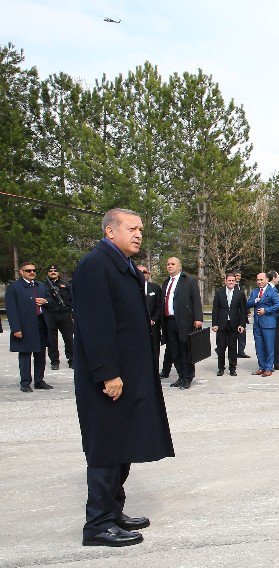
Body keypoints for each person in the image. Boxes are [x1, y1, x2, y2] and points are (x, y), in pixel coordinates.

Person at [73, 208, 174, 547]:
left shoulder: (123, 266)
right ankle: (98, 523)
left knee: (122, 444)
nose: (139, 234)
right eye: (132, 228)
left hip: (128, 374)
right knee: (106, 448)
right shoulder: (95, 266)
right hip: (108, 379)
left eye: (141, 229)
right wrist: (108, 374)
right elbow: (94, 326)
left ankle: (113, 511)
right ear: (110, 231)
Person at [6, 261, 51, 392]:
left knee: (40, 353)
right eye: (28, 270)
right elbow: (11, 310)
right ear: (21, 272)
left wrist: (46, 301)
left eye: (33, 270)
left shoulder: (41, 285)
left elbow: (50, 300)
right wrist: (16, 328)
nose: (32, 272)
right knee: (25, 354)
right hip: (24, 326)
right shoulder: (14, 287)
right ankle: (25, 382)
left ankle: (39, 380)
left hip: (40, 324)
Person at [161, 257, 202, 389]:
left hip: (185, 321)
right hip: (169, 321)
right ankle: (180, 376)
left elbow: (196, 300)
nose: (170, 266)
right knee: (175, 350)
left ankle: (188, 377)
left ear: (179, 267)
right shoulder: (166, 282)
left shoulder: (188, 280)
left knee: (185, 350)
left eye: (173, 264)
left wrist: (198, 318)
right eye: (168, 264)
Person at [211, 273, 246, 376]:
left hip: (234, 324)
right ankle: (221, 368)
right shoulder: (219, 293)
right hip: (221, 324)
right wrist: (214, 324)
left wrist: (242, 324)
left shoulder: (240, 293)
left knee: (232, 346)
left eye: (232, 281)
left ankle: (232, 368)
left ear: (235, 282)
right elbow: (215, 309)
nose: (231, 282)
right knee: (221, 347)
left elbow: (243, 311)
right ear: (225, 281)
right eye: (229, 280)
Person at [248, 272, 279, 376]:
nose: (259, 282)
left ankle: (269, 368)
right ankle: (261, 367)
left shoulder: (272, 291)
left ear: (267, 280)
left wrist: (266, 310)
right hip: (257, 323)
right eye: (258, 280)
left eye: (261, 280)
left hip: (268, 323)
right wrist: (254, 301)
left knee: (269, 346)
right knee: (259, 346)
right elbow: (247, 303)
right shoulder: (254, 292)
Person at [43, 264, 73, 369]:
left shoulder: (65, 285)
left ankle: (72, 360)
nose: (53, 272)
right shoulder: (43, 286)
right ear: (48, 273)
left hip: (65, 314)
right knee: (52, 340)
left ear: (58, 273)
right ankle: (54, 361)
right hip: (50, 315)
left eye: (55, 270)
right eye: (51, 270)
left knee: (69, 338)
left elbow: (72, 298)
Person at [137, 265, 163, 367]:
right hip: (136, 326)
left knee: (154, 351)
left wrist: (154, 319)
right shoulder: (129, 288)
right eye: (139, 272)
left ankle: (154, 374)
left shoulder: (155, 288)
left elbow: (160, 306)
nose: (142, 274)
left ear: (148, 274)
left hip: (153, 326)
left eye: (144, 272)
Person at [266, 270, 279, 370]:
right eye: (278, 277)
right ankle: (269, 363)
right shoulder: (267, 289)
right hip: (269, 320)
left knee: (277, 342)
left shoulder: (275, 289)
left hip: (277, 319)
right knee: (269, 342)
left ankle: (277, 363)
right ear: (273, 278)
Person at [233, 271, 251, 358]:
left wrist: (248, 311)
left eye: (239, 276)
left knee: (242, 333)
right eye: (236, 276)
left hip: (241, 314)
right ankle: (220, 349)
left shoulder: (241, 287)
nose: (238, 277)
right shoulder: (230, 287)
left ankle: (241, 351)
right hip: (233, 314)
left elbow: (244, 300)